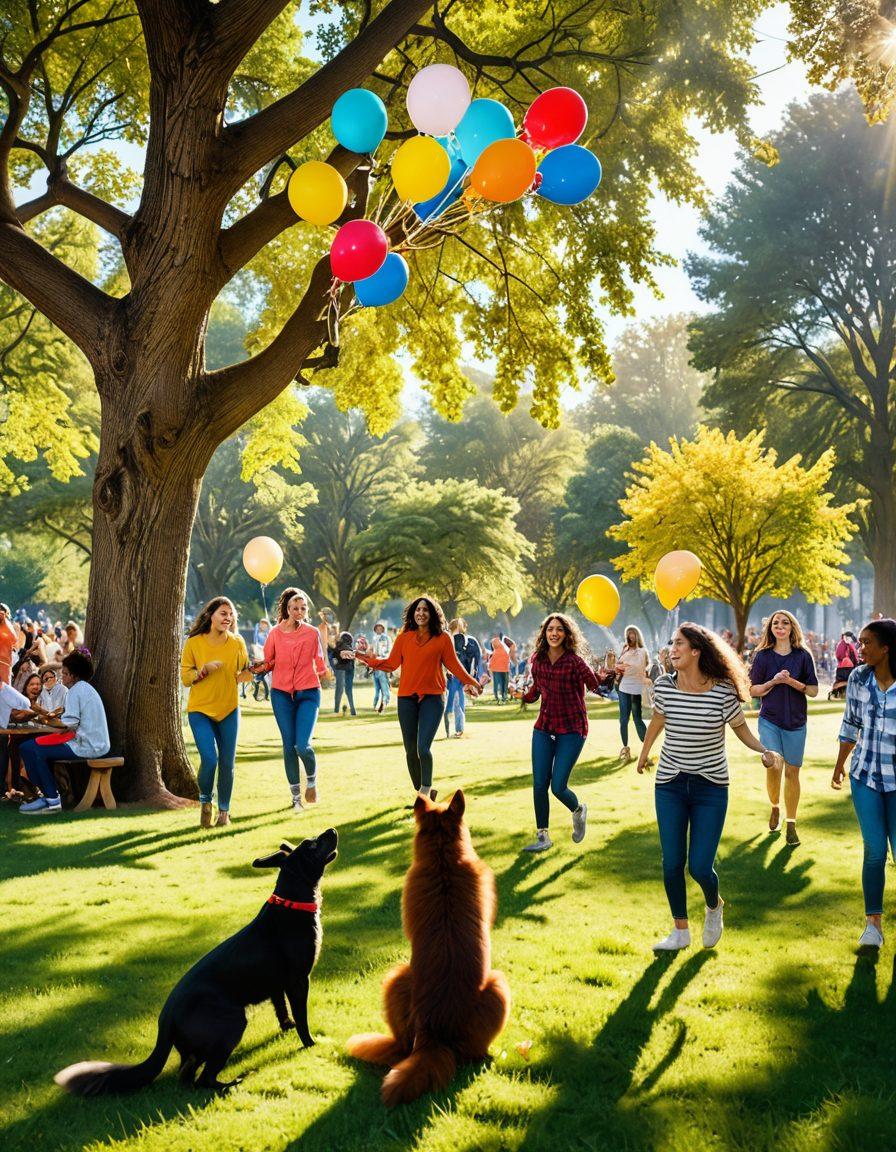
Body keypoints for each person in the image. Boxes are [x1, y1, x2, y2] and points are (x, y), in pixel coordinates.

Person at [636, 623, 783, 953]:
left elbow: (741, 729)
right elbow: (657, 722)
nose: (672, 649)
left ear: (697, 651)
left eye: (680, 644)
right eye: (672, 643)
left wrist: (764, 751)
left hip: (711, 787)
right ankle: (680, 930)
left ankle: (714, 905)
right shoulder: (664, 686)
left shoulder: (722, 691)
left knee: (700, 865)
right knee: (672, 862)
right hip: (670, 784)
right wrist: (644, 755)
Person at [352, 596, 481, 799]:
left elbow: (454, 665)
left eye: (426, 610)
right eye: (418, 609)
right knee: (411, 751)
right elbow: (390, 664)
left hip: (433, 697)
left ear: (433, 614)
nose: (421, 613)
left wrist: (471, 681)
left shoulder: (443, 638)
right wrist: (362, 657)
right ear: (413, 613)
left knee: (423, 747)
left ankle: (425, 791)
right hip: (406, 698)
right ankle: (424, 793)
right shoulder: (404, 638)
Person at [832, 618, 896, 949]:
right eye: (859, 642)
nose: (860, 648)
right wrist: (840, 767)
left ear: (886, 648)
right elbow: (850, 725)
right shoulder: (858, 677)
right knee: (874, 850)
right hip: (866, 776)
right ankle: (873, 925)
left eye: (867, 642)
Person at [516, 613, 601, 853]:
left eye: (559, 630)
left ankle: (578, 810)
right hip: (544, 727)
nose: (554, 633)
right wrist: (522, 696)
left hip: (572, 729)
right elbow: (536, 690)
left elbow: (596, 684)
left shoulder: (575, 662)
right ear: (544, 633)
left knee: (558, 786)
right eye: (550, 629)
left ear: (567, 634)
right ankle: (543, 836)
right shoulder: (538, 660)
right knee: (539, 783)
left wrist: (611, 677)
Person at [180, 597, 252, 828]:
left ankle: (224, 812)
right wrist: (203, 671)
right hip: (200, 710)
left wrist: (254, 671)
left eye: (231, 614)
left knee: (227, 763)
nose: (228, 618)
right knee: (210, 759)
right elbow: (185, 678)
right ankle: (205, 802)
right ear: (210, 615)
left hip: (229, 710)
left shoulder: (237, 642)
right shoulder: (194, 643)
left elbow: (242, 673)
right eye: (223, 613)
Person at [749, 609, 819, 845]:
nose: (780, 626)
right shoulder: (762, 656)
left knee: (792, 772)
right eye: (775, 623)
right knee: (774, 765)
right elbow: (753, 690)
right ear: (770, 628)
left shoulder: (803, 656)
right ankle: (774, 806)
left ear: (792, 628)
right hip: (770, 720)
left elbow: (813, 690)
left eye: (785, 622)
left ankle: (791, 824)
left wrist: (790, 681)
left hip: (796, 723)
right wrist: (774, 681)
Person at [259, 587, 331, 812]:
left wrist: (326, 670)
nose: (299, 611)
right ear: (287, 609)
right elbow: (268, 661)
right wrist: (257, 667)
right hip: (281, 694)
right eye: (295, 608)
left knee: (303, 745)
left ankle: (311, 782)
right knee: (289, 746)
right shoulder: (274, 634)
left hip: (308, 692)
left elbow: (319, 660)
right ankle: (296, 798)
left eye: (303, 608)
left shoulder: (312, 633)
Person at [18, 650, 111, 815]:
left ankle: (52, 800)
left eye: (66, 674)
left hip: (87, 745)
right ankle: (47, 795)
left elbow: (67, 724)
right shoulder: (84, 688)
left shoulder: (76, 691)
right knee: (26, 747)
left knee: (36, 750)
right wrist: (45, 718)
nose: (63, 677)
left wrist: (41, 718)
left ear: (74, 675)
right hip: (87, 741)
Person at [617, 625, 649, 765]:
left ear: (637, 636)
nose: (631, 637)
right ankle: (626, 749)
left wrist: (626, 667)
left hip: (636, 689)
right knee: (623, 720)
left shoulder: (642, 651)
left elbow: (639, 667)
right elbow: (617, 666)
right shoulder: (625, 650)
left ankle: (646, 751)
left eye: (633, 634)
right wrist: (621, 667)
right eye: (628, 635)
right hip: (624, 688)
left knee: (637, 719)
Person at [444, 618, 471, 738]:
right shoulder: (459, 639)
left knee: (455, 702)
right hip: (457, 674)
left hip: (454, 675)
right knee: (458, 701)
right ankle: (458, 728)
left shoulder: (452, 639)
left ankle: (457, 729)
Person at [332, 630, 357, 716]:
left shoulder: (337, 648)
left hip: (340, 670)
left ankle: (336, 709)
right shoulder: (352, 649)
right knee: (349, 690)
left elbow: (334, 660)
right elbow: (353, 661)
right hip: (349, 669)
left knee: (339, 690)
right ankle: (352, 710)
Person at [371, 621, 392, 713]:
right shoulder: (374, 638)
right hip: (375, 666)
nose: (378, 629)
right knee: (377, 689)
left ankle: (383, 705)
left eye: (380, 628)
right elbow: (373, 652)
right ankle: (375, 706)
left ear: (383, 629)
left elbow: (387, 652)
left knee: (384, 688)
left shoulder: (386, 638)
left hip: (382, 665)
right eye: (377, 628)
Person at [489, 633, 510, 703]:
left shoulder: (494, 653)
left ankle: (496, 696)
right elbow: (507, 660)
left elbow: (491, 664)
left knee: (496, 683)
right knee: (504, 684)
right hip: (504, 670)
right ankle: (504, 696)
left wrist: (491, 671)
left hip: (496, 671)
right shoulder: (504, 652)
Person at [0, 604, 18, 685]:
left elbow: (14, 640)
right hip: (5, 663)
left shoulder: (8, 626)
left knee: (4, 690)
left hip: (4, 665)